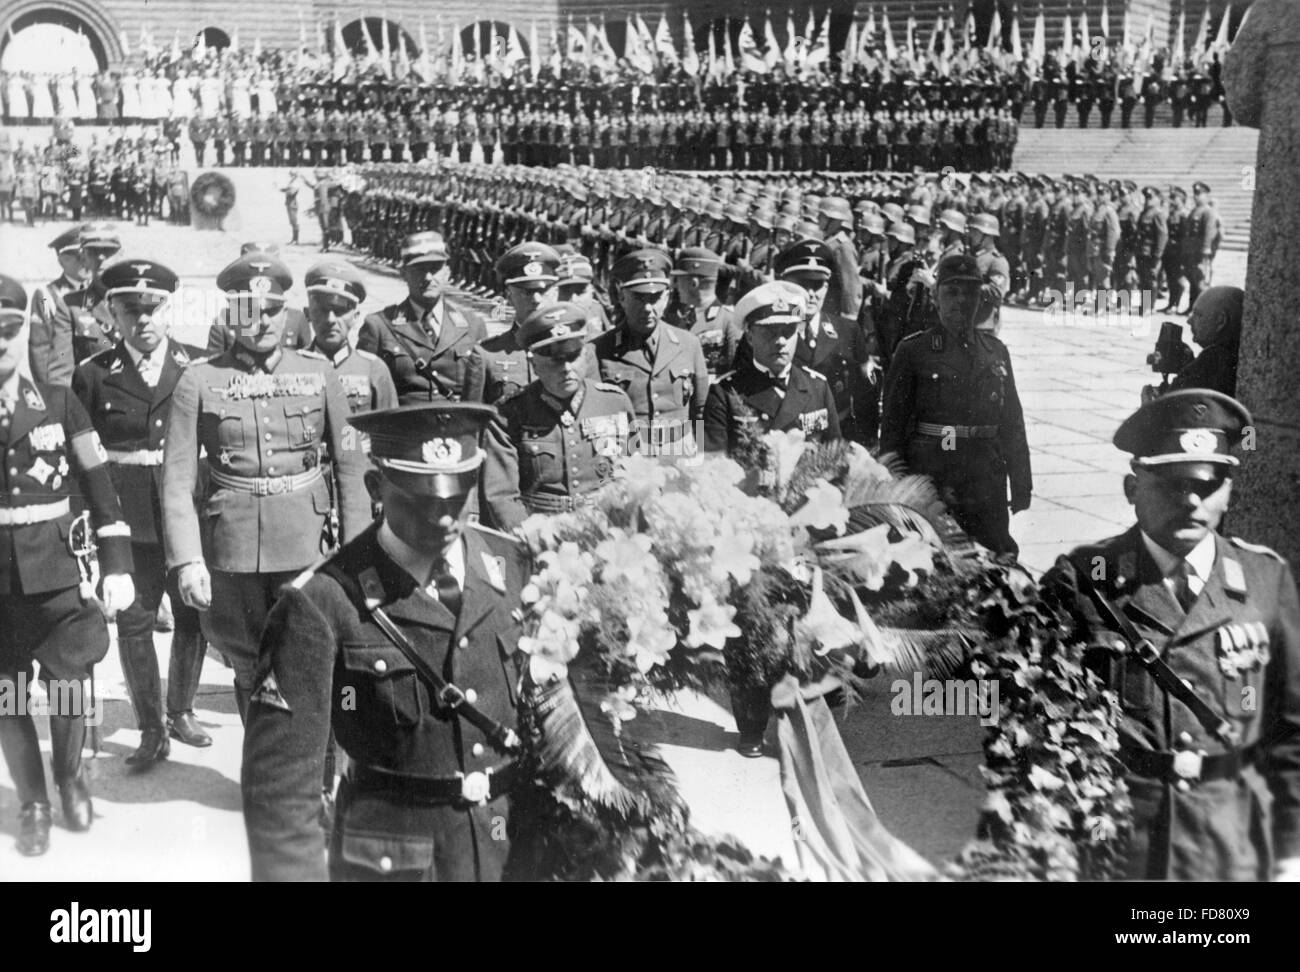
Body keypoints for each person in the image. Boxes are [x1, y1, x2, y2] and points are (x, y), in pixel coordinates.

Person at [241, 401, 533, 882]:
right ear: (376, 487)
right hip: (392, 864)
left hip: (508, 849)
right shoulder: (320, 603)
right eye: (421, 499)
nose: (444, 517)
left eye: (457, 496)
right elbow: (280, 795)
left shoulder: (515, 567)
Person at [1042, 390, 1300, 881]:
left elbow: (1291, 733)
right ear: (1132, 487)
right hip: (1121, 842)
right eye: (1173, 483)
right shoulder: (1082, 582)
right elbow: (1040, 726)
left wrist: (1291, 853)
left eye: (1208, 484)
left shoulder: (1265, 579)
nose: (1192, 500)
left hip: (1230, 840)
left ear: (1229, 491)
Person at [161, 253, 370, 723]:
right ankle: (261, 761)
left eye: (272, 311)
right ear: (230, 314)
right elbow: (176, 482)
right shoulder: (199, 380)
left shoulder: (319, 373)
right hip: (235, 553)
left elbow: (352, 466)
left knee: (321, 661)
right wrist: (188, 559)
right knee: (249, 665)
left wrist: (357, 552)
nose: (261, 322)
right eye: (248, 311)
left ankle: (325, 762)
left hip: (307, 546)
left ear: (286, 311)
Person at [0, 273, 135, 856]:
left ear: (22, 334)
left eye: (7, 331)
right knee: (6, 696)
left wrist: (118, 564)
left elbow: (100, 486)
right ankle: (33, 802)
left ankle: (70, 777)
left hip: (57, 576)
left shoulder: (58, 401)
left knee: (70, 686)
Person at [72, 259, 211, 765]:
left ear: (169, 311)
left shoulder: (199, 366)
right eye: (132, 310)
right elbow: (83, 460)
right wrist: (88, 534)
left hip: (187, 516)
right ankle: (151, 727)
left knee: (194, 616)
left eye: (153, 309)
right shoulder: (92, 375)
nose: (144, 320)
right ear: (113, 313)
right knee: (134, 622)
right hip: (126, 522)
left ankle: (182, 709)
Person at [880, 254, 1032, 559]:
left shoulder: (996, 352)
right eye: (952, 292)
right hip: (934, 478)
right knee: (934, 559)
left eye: (971, 292)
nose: (962, 300)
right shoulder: (914, 350)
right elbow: (893, 428)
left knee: (995, 557)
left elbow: (1012, 422)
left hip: (985, 479)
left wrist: (1021, 481)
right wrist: (893, 487)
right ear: (935, 298)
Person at [499, 303, 639, 514]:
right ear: (534, 364)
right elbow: (502, 497)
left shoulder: (614, 402)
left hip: (604, 521)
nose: (566, 368)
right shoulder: (511, 412)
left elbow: (634, 475)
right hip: (537, 525)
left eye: (573, 356)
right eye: (555, 360)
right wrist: (528, 532)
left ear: (585, 356)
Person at [703, 279, 842, 457]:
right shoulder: (724, 392)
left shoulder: (818, 387)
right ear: (750, 337)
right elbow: (710, 463)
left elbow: (835, 456)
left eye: (788, 331)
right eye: (770, 332)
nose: (781, 341)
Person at [592, 249, 709, 459]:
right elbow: (597, 422)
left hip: (678, 459)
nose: (647, 307)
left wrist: (696, 464)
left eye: (655, 298)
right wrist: (612, 470)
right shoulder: (600, 350)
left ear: (667, 297)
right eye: (638, 297)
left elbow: (700, 412)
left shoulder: (688, 344)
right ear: (621, 296)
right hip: (629, 462)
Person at [359, 231, 488, 405]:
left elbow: (482, 392)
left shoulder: (473, 325)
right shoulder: (379, 325)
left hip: (457, 420)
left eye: (435, 269)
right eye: (419, 269)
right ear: (403, 273)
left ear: (447, 273)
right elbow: (365, 393)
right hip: (404, 420)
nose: (428, 278)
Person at [774, 238, 874, 446]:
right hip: (783, 442)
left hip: (837, 440)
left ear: (827, 287)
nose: (811, 294)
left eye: (818, 285)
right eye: (802, 284)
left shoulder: (848, 331)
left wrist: (865, 442)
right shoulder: (769, 331)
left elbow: (866, 394)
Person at [461, 241, 563, 406]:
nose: (536, 299)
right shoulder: (487, 355)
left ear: (556, 294)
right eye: (527, 292)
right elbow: (470, 418)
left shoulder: (575, 352)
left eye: (543, 291)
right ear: (509, 296)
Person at [301, 261, 398, 414]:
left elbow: (389, 427)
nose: (331, 320)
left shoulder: (374, 370)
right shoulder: (293, 369)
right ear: (308, 314)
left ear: (356, 317)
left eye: (340, 311)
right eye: (322, 310)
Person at [663, 247, 743, 380]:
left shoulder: (729, 321)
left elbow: (735, 372)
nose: (676, 286)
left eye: (679, 279)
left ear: (693, 283)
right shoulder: (682, 318)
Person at [1163, 286, 1243, 397]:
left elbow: (1167, 405)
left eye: (1198, 314)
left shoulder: (1212, 359)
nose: (1189, 321)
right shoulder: (1238, 352)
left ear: (1221, 320)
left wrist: (1148, 401)